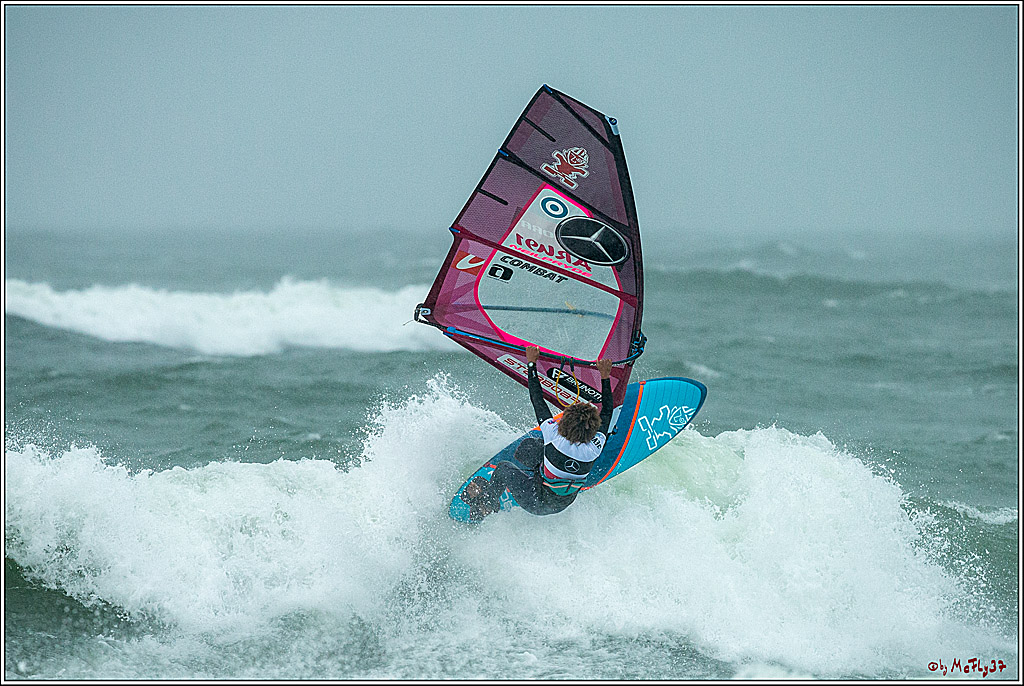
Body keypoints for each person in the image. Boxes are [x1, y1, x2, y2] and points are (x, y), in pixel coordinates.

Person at [461, 345, 614, 520]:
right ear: (593, 428)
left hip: (535, 502)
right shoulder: (595, 446)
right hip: (562, 504)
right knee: (534, 447)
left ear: (564, 423)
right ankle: (539, 475)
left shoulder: (554, 437)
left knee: (505, 466)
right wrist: (606, 377)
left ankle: (487, 503)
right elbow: (608, 411)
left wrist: (531, 364)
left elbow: (537, 399)